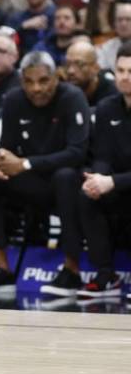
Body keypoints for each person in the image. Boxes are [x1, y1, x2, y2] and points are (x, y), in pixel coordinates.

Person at [0, 51, 89, 297]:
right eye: (29, 82)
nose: (36, 88)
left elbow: (77, 153)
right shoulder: (13, 99)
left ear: (56, 78)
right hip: (33, 179)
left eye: (43, 81)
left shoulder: (73, 97)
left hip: (68, 179)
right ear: (21, 81)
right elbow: (7, 149)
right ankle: (1, 268)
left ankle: (72, 271)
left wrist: (24, 164)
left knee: (64, 176)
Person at [74, 43, 131, 297]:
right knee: (86, 195)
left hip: (121, 183)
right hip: (118, 185)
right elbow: (103, 155)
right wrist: (96, 179)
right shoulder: (108, 107)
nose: (125, 77)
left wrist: (112, 182)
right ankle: (106, 275)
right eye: (120, 70)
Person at [63, 41, 118, 107]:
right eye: (67, 64)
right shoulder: (63, 92)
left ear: (96, 68)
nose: (70, 71)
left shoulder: (112, 94)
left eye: (80, 64)